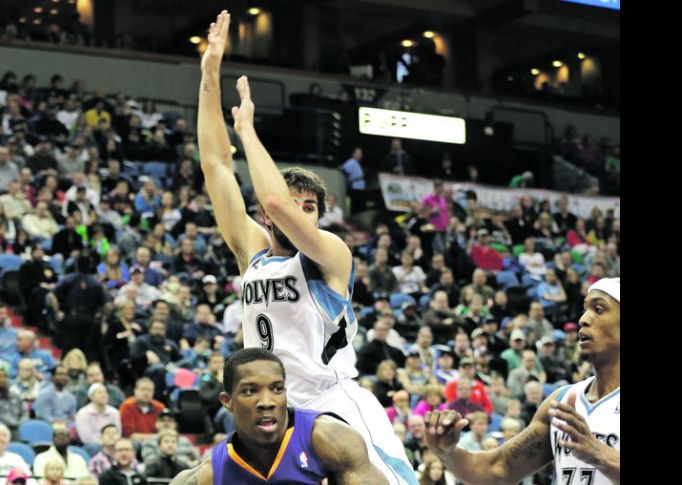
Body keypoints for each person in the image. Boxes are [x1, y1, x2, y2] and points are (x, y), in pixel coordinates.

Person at [196, 10, 416, 485]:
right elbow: (215, 166)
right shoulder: (252, 252)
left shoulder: (332, 254)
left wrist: (249, 133)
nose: (298, 213)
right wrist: (210, 74)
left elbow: (274, 199)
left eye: (309, 207)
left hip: (332, 404)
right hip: (271, 408)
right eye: (293, 205)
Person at [421, 278, 619, 484]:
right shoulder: (563, 400)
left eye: (598, 309)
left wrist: (601, 455)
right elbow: (499, 468)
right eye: (585, 309)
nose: (584, 319)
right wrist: (447, 452)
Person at [170, 347, 388, 484]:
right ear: (227, 401)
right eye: (250, 391)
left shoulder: (330, 438)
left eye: (276, 389)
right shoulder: (210, 474)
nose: (267, 402)